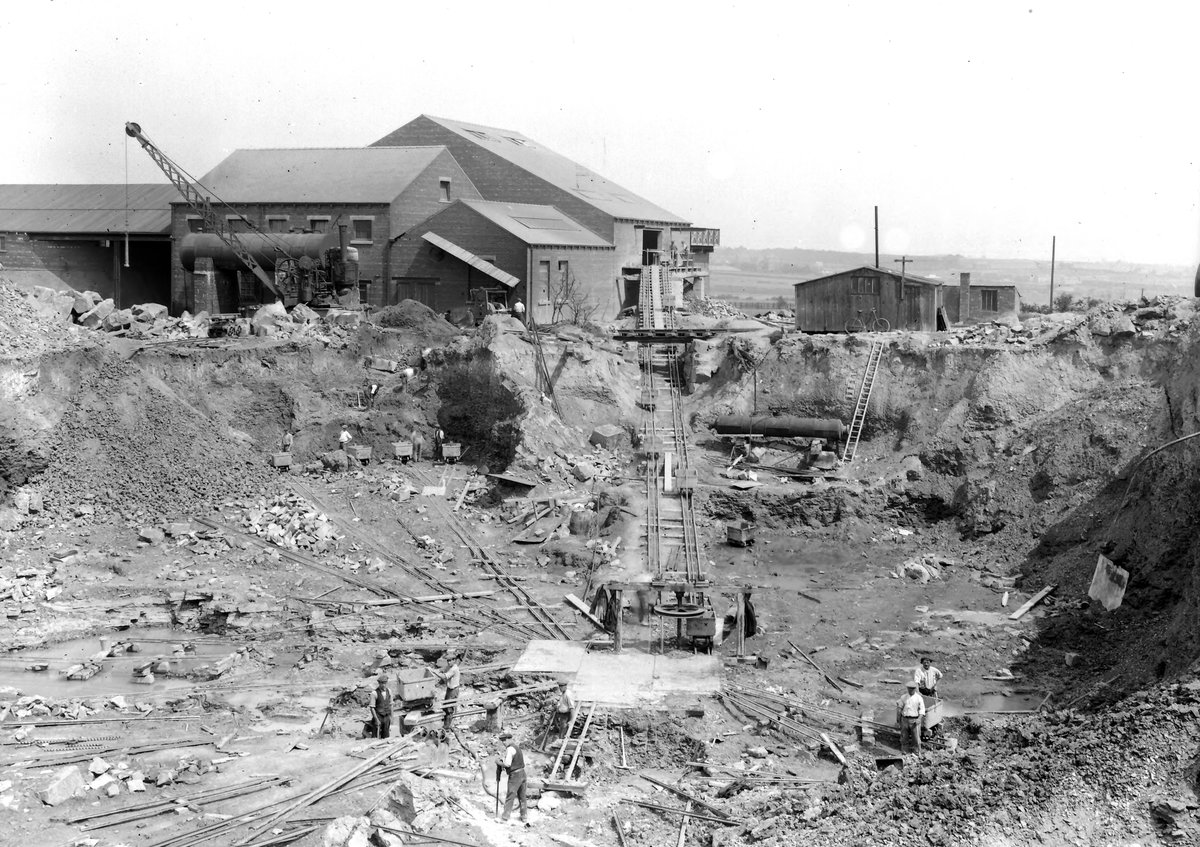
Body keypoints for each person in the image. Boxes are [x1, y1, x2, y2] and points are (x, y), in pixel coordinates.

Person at [495, 737, 529, 825]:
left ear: (508, 740)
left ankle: (505, 817)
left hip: (515, 775)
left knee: (510, 795)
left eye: (504, 741)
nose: (503, 743)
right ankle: (524, 816)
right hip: (522, 773)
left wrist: (499, 762)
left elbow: (507, 764)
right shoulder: (516, 748)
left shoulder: (510, 749)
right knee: (522, 796)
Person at [896, 681, 925, 755]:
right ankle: (905, 752)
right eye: (909, 689)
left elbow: (922, 710)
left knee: (916, 738)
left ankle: (916, 752)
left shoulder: (919, 698)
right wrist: (898, 720)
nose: (910, 690)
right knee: (904, 737)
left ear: (915, 689)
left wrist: (919, 719)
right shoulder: (903, 697)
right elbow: (899, 708)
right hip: (904, 719)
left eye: (912, 689)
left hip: (914, 720)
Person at [434, 653, 462, 731]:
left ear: (454, 660)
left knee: (449, 708)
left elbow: (444, 676)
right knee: (446, 705)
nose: (449, 662)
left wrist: (433, 671)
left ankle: (447, 726)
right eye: (448, 661)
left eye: (450, 661)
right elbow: (442, 671)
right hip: (449, 689)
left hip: (453, 690)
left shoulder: (454, 669)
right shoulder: (450, 667)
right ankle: (446, 721)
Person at [369, 673, 394, 739]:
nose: (383, 685)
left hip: (386, 717)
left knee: (386, 736)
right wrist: (376, 719)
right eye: (382, 683)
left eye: (385, 683)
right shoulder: (374, 693)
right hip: (378, 716)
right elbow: (372, 708)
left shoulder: (389, 691)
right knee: (375, 737)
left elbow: (391, 705)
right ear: (379, 683)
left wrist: (392, 717)